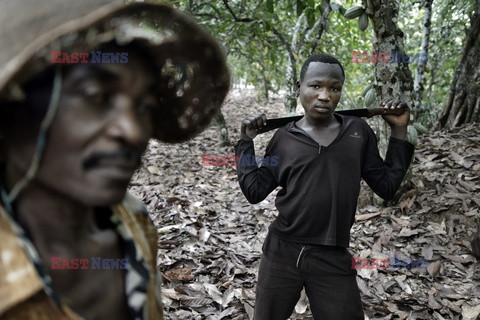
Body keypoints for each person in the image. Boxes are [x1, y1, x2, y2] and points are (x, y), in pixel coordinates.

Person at [0, 1, 229, 319]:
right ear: (11, 110)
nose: (133, 131)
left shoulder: (134, 225)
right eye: (97, 96)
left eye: (145, 106)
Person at [235, 54, 415, 319]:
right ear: (299, 87)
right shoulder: (284, 138)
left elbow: (386, 186)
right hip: (282, 253)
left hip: (332, 256)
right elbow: (255, 190)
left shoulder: (357, 132)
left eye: (334, 88)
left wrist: (399, 132)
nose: (324, 95)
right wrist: (245, 142)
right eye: (316, 86)